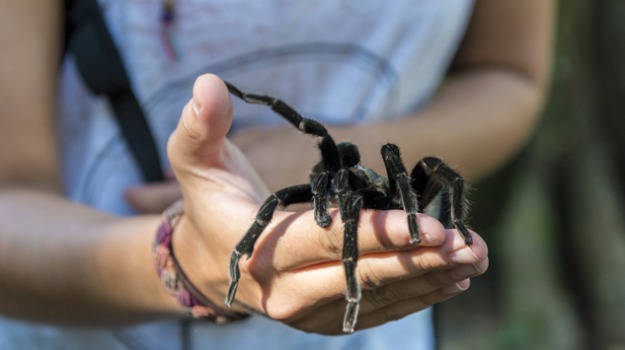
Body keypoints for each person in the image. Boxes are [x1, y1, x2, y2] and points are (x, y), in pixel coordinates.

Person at [0, 0, 552, 349]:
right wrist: (193, 262)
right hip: (72, 330)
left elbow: (509, 73)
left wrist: (426, 221)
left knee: (422, 172)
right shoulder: (330, 177)